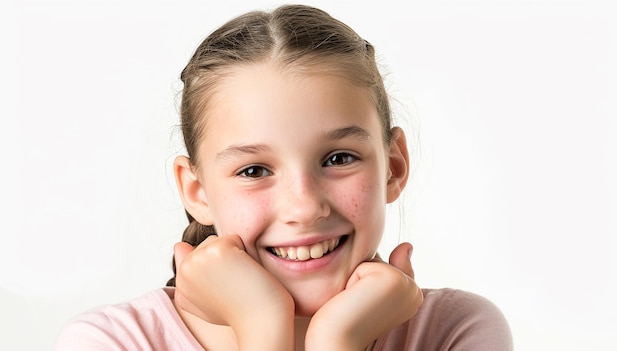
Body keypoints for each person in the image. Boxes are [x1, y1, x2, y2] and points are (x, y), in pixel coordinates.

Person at [54, 4, 513, 350]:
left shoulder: (455, 331)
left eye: (337, 159)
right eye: (253, 170)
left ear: (393, 166)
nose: (304, 206)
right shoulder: (109, 342)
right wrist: (262, 328)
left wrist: (337, 340)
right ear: (196, 191)